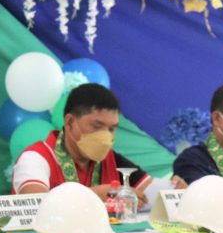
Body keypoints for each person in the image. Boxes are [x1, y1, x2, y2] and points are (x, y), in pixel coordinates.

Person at [12, 84, 153, 201]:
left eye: (111, 129)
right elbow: (34, 205)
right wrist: (92, 196)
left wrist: (173, 188)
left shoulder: (111, 159)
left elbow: (152, 195)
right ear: (70, 122)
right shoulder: (35, 158)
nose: (105, 136)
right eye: (97, 126)